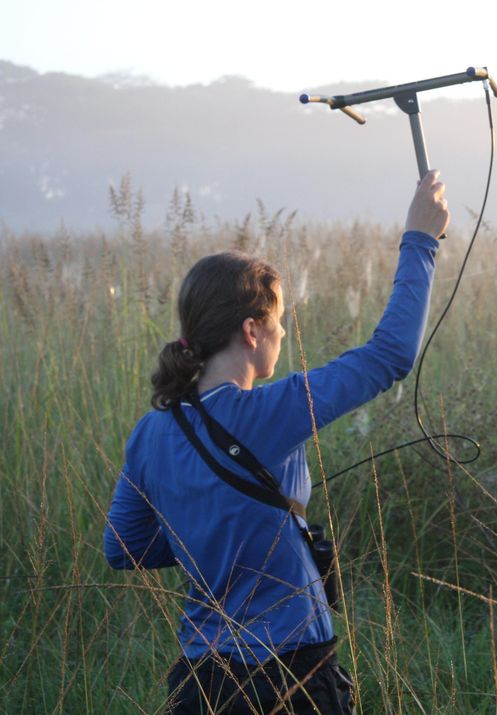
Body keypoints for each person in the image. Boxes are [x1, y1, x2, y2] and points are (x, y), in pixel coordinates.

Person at [103, 171, 450, 713]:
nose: (283, 334)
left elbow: (122, 549)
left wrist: (210, 532)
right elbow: (389, 356)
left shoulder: (151, 431)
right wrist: (420, 239)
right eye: (279, 321)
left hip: (200, 682)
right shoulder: (271, 411)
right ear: (250, 330)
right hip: (292, 677)